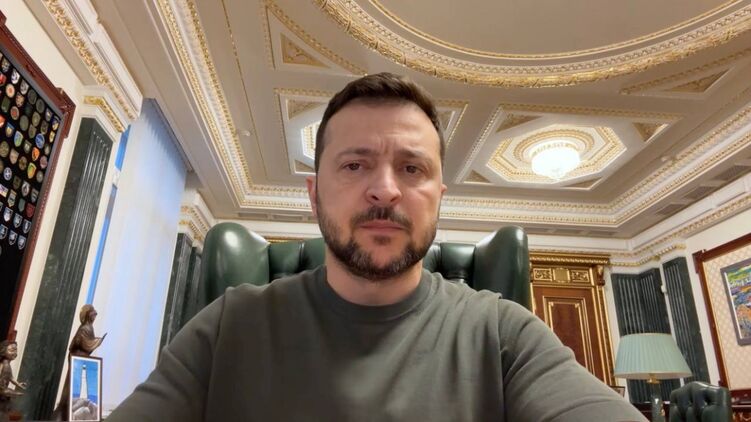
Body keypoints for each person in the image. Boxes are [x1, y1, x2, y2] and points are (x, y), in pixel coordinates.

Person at [108, 73, 646, 421]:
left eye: (412, 169)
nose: (385, 189)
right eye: (354, 164)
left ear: (438, 198)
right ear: (314, 194)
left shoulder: (504, 333)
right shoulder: (228, 326)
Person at [52, 305, 106, 420]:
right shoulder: (85, 328)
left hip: (83, 358)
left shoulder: (89, 327)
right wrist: (97, 342)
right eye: (93, 314)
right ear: (88, 315)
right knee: (72, 384)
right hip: (78, 357)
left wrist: (94, 342)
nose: (95, 317)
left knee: (79, 384)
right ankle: (65, 410)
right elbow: (82, 343)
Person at [0, 340, 26, 422]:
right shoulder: (4, 365)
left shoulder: (7, 365)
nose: (14, 353)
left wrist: (18, 384)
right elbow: (2, 388)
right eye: (11, 350)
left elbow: (10, 377)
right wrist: (14, 393)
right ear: (3, 351)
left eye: (15, 350)